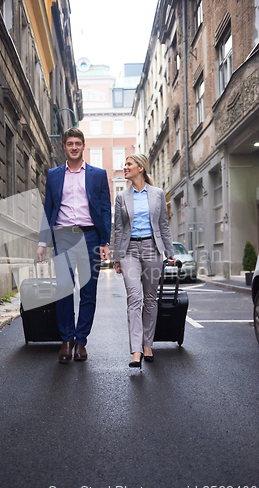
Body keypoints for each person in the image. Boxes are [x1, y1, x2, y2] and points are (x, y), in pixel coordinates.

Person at [36, 127, 111, 363]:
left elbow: (105, 209)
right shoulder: (54, 175)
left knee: (88, 292)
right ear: (65, 147)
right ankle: (66, 340)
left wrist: (105, 241)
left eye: (78, 143)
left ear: (83, 145)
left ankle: (81, 342)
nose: (74, 147)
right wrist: (42, 242)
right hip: (63, 236)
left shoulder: (98, 175)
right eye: (70, 143)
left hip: (90, 236)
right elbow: (48, 209)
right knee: (64, 289)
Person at [114, 154, 176, 369]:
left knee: (150, 298)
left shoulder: (157, 194)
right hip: (129, 250)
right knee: (134, 297)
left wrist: (170, 252)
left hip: (152, 249)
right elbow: (119, 229)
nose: (125, 167)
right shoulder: (122, 197)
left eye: (129, 164)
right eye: (125, 164)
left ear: (140, 168)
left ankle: (148, 344)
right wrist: (117, 257)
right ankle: (136, 350)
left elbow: (163, 226)